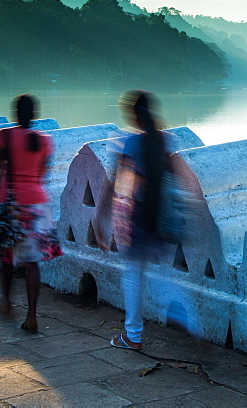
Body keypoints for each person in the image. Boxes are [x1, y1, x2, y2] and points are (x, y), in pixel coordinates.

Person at [95, 89, 172, 351]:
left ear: (133, 115)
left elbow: (115, 182)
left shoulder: (132, 142)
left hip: (138, 216)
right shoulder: (162, 139)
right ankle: (189, 321)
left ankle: (133, 335)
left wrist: (99, 216)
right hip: (159, 215)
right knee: (157, 276)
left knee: (133, 276)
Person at [0, 94, 62, 333]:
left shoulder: (5, 136)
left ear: (16, 113)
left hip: (10, 204)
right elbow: (42, 175)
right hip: (37, 205)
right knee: (32, 264)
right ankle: (32, 315)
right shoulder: (44, 141)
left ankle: (7, 303)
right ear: (35, 115)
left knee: (7, 259)